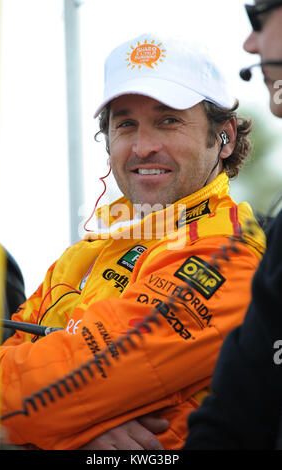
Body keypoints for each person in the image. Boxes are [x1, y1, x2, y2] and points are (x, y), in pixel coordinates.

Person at [0, 33, 265, 451]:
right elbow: (19, 377)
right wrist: (79, 428)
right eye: (125, 124)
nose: (143, 146)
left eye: (168, 120)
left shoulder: (228, 253)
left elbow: (42, 398)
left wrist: (54, 422)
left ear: (224, 137)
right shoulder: (88, 251)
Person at [184, 0, 282, 450]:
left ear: (223, 139)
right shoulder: (79, 256)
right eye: (124, 124)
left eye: (260, 12)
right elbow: (235, 415)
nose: (249, 40)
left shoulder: (240, 249)